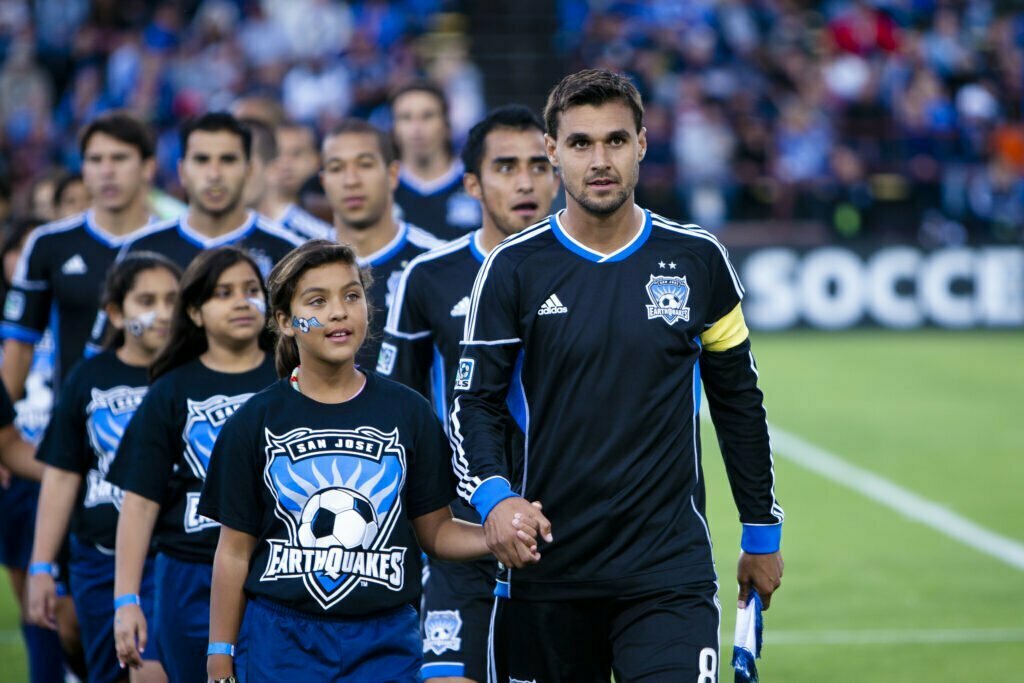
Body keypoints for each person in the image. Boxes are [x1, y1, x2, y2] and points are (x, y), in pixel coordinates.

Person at [450, 69, 785, 681]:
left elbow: (739, 401)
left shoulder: (697, 259)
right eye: (580, 144)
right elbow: (474, 403)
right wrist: (496, 498)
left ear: (642, 144)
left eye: (615, 141)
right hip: (545, 570)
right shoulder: (511, 269)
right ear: (553, 151)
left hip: (667, 573)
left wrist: (761, 533)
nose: (599, 160)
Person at [198, 240, 539, 682]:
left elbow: (435, 531)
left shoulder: (409, 412)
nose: (339, 311)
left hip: (386, 640)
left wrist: (500, 534)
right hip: (280, 641)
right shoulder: (254, 421)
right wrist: (219, 656)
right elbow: (233, 552)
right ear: (285, 321)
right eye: (317, 301)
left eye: (352, 295)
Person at [380, 104, 560, 683]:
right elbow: (395, 407)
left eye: (539, 165)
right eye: (506, 167)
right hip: (462, 531)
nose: (526, 181)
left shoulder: (588, 274)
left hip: (564, 527)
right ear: (474, 184)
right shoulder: (429, 276)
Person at [107, 247, 277, 683]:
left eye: (251, 290)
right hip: (189, 575)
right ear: (196, 313)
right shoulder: (170, 390)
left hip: (274, 571)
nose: (242, 301)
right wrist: (126, 598)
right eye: (224, 292)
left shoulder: (292, 379)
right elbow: (140, 502)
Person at [27, 253, 180, 683]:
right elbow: (61, 476)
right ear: (115, 312)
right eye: (146, 301)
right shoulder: (89, 377)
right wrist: (41, 566)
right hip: (99, 561)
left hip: (172, 561)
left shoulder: (191, 375)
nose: (162, 313)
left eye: (172, 299)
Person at [1, 111, 158, 399]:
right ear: (83, 168)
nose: (107, 171)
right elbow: (20, 346)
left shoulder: (173, 243)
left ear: (148, 167)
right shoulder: (48, 243)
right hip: (73, 421)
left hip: (161, 424)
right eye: (95, 160)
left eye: (120, 158)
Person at [319, 119, 444, 371]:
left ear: (393, 174)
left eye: (365, 165)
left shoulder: (439, 262)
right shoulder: (297, 270)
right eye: (336, 168)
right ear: (323, 182)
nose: (351, 180)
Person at [115, 113, 303, 275]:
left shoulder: (289, 253)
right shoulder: (142, 250)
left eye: (227, 160)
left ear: (249, 170)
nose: (214, 174)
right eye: (202, 160)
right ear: (182, 171)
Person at [391, 81, 481, 240]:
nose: (416, 128)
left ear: (447, 124)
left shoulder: (477, 183)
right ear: (394, 127)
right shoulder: (381, 188)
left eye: (427, 116)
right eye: (406, 117)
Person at [241, 118, 331, 241]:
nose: (285, 163)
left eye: (295, 154)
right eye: (278, 154)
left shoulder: (320, 237)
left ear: (317, 159)